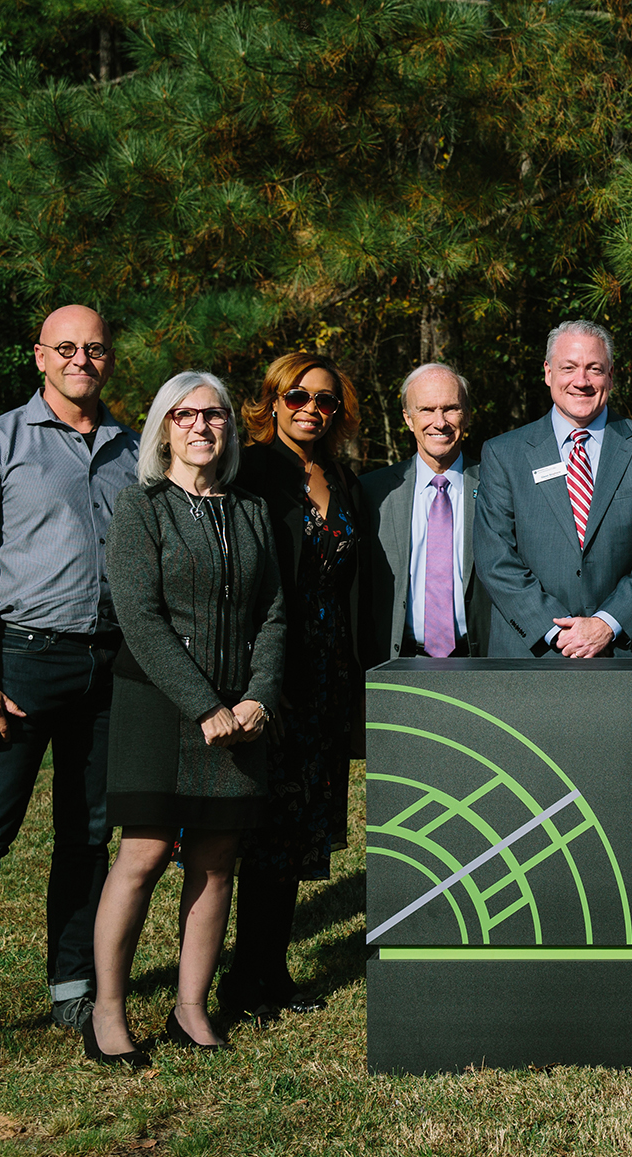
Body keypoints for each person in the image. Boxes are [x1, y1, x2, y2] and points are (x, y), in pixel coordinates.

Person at [0, 305, 139, 1073]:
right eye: (65, 348)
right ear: (39, 356)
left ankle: (73, 987)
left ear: (109, 359)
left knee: (88, 835)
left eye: (95, 348)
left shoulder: (135, 449)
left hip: (110, 667)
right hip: (20, 663)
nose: (81, 359)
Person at [87, 372, 286, 1063]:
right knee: (141, 856)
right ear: (164, 429)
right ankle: (107, 1012)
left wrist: (258, 695)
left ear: (229, 427)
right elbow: (139, 617)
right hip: (157, 704)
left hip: (241, 711)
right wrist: (204, 705)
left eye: (215, 415)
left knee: (216, 858)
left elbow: (273, 612)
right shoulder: (140, 507)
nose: (202, 426)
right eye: (185, 415)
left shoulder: (252, 510)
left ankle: (190, 1008)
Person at [223, 352, 370, 1020]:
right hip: (272, 675)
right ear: (273, 400)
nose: (312, 409)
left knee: (298, 832)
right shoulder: (248, 472)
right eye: (298, 397)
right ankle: (241, 981)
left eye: (326, 400)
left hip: (328, 676)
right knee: (264, 836)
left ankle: (272, 973)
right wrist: (256, 677)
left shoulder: (341, 477)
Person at [475, 320, 632, 658]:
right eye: (568, 368)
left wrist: (607, 623)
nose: (581, 381)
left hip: (621, 651)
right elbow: (495, 557)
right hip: (531, 653)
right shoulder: (503, 454)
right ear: (548, 373)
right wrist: (555, 630)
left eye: (594, 369)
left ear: (610, 375)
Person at [360, 364, 489, 663]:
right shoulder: (372, 492)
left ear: (467, 415)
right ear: (408, 418)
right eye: (427, 410)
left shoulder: (497, 486)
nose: (439, 422)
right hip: (396, 663)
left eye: (451, 409)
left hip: (480, 662)